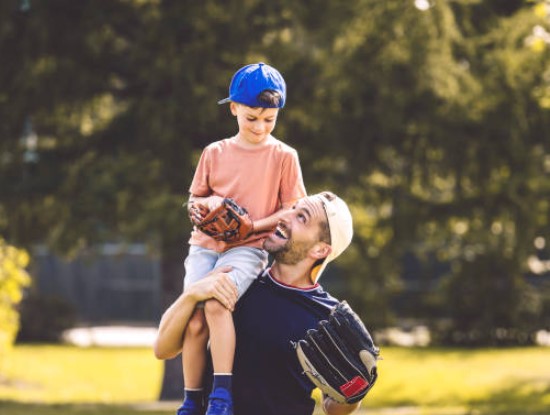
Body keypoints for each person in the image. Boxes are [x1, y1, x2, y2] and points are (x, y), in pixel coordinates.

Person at [155, 192, 363, 415]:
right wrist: (192, 294)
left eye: (301, 217)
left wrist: (355, 392)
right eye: (292, 208)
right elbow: (163, 349)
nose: (284, 216)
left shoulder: (327, 318)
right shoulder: (238, 282)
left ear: (320, 250)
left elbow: (334, 409)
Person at [180, 62, 307, 415]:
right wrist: (206, 206)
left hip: (249, 249)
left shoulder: (284, 157)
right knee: (193, 319)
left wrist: (253, 227)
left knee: (218, 305)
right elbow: (196, 198)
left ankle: (222, 395)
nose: (260, 127)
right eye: (252, 118)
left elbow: (293, 211)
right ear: (233, 107)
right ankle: (191, 399)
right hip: (205, 245)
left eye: (270, 119)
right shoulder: (214, 152)